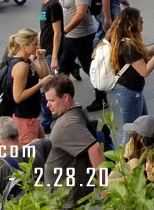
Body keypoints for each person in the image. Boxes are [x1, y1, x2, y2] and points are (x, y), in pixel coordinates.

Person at [106, 7, 154, 144]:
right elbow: (144, 70)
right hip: (129, 92)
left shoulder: (127, 42)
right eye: (140, 20)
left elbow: (143, 57)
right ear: (132, 24)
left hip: (132, 91)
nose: (143, 22)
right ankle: (123, 163)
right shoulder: (129, 47)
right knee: (131, 132)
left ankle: (144, 156)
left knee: (146, 126)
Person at [42, 75, 104, 208]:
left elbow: (95, 149)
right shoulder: (76, 110)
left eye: (51, 100)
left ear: (65, 98)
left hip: (67, 200)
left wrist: (105, 185)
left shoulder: (68, 123)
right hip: (67, 196)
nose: (48, 105)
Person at [58, 0, 98, 98]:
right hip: (71, 36)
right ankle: (61, 97)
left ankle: (101, 96)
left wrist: (65, 30)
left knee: (88, 66)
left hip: (81, 36)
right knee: (63, 68)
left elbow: (81, 14)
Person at [33, 0, 62, 132]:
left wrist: (55, 57)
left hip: (52, 53)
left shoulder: (53, 5)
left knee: (47, 90)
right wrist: (36, 47)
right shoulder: (45, 5)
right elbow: (43, 29)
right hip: (44, 52)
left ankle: (46, 124)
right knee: (45, 89)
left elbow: (57, 33)